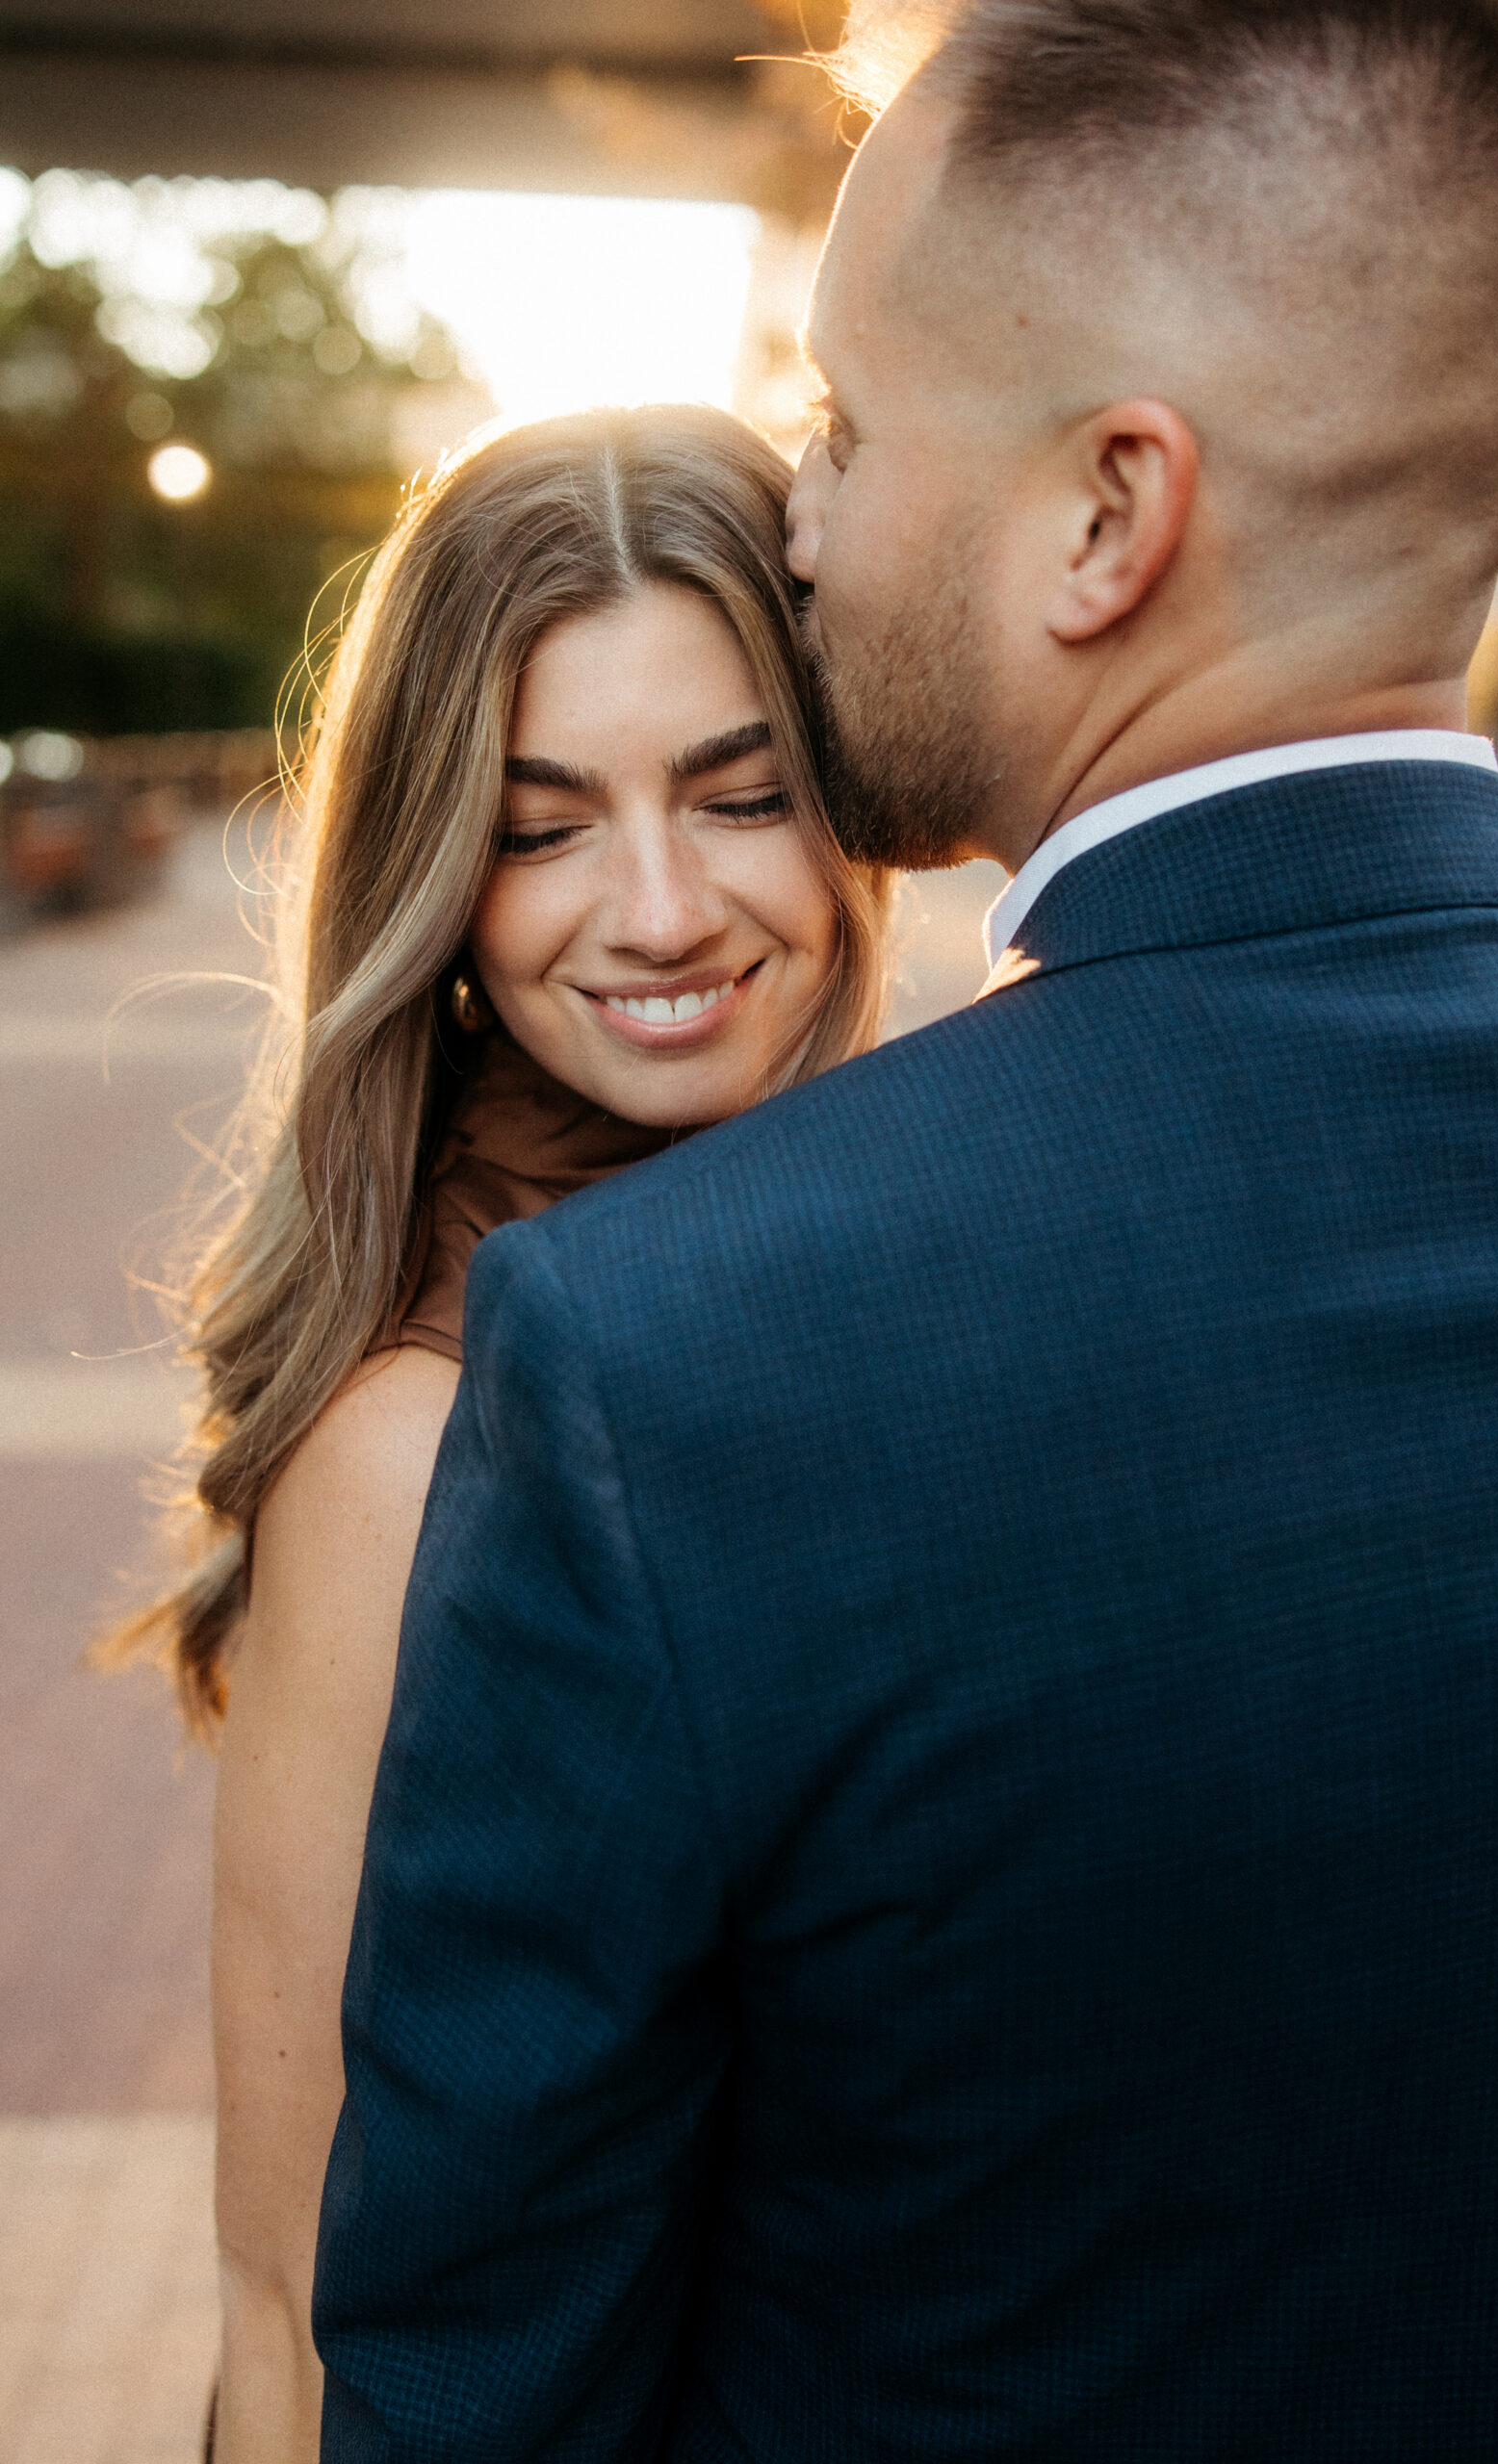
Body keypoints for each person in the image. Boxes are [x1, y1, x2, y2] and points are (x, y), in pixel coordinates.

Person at [316, 3, 1498, 2455]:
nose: (802, 521)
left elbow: (473, 2391)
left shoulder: (666, 1357)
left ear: (1106, 515)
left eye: (843, 425)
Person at [108, 404, 891, 2461]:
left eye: (741, 796)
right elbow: (295, 2291)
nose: (659, 909)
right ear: (436, 876)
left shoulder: (915, 1226)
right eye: (542, 830)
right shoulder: (419, 1434)